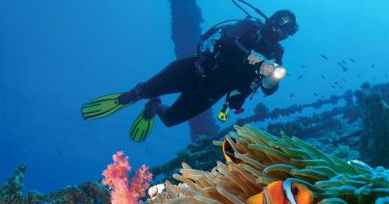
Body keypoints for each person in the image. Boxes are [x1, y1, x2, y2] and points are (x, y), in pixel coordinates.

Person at [81, 9, 298, 142]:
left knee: (170, 120)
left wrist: (272, 77)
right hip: (195, 70)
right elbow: (228, 41)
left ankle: (155, 105)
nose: (285, 32)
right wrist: (253, 56)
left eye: (291, 30)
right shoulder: (250, 26)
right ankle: (130, 96)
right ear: (273, 19)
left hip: (211, 93)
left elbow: (268, 90)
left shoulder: (277, 53)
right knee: (142, 91)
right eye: (283, 23)